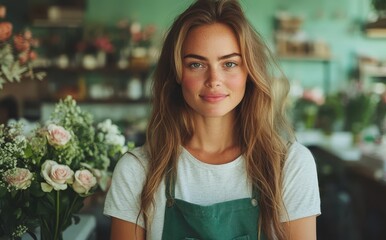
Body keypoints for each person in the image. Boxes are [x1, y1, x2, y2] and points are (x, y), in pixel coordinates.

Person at [103, 0, 320, 239]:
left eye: (229, 63)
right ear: (177, 73)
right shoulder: (138, 170)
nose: (214, 79)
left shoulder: (289, 165)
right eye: (196, 64)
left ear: (249, 72)